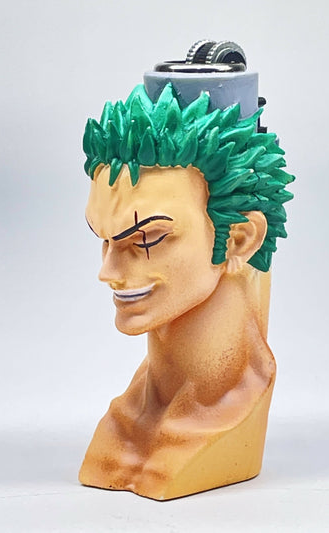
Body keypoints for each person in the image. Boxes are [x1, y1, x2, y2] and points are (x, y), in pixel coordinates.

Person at [79, 83, 294, 500]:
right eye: (104, 238)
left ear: (238, 238)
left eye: (147, 239)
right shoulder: (124, 420)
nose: (107, 272)